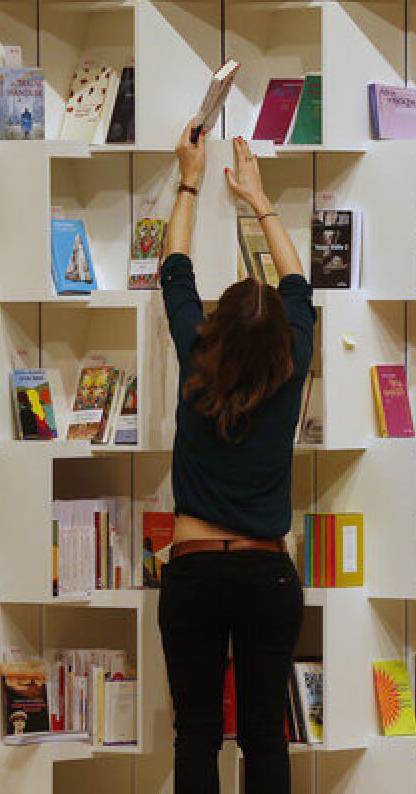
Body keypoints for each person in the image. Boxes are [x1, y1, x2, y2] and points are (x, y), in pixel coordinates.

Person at [157, 120, 313, 794]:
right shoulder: (294, 362)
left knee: (195, 734)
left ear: (216, 326)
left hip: (193, 573)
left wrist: (190, 179)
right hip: (265, 578)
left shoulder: (197, 356)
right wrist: (262, 201)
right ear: (282, 337)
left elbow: (175, 268)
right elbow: (298, 281)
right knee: (263, 738)